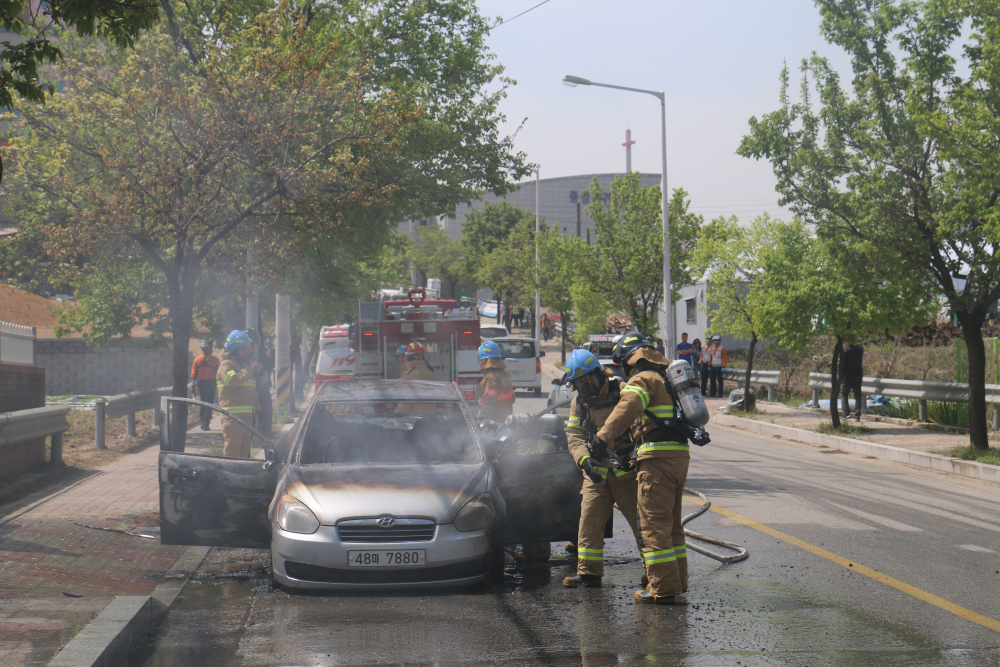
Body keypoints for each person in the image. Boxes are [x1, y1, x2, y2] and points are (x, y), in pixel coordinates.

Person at [595, 331, 691, 604]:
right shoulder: (667, 380)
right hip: (678, 457)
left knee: (652, 525)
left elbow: (628, 407)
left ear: (628, 360)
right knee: (672, 525)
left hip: (657, 459)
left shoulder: (644, 379)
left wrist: (603, 437)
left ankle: (662, 588)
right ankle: (678, 581)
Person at [562, 349, 643, 589]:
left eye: (588, 378)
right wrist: (584, 461)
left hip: (627, 471)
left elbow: (640, 423)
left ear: (600, 374)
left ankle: (655, 574)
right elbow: (575, 436)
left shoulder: (621, 391)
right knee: (589, 519)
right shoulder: (579, 402)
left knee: (642, 523)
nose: (586, 385)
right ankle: (588, 573)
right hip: (597, 472)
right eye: (580, 382)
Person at [216, 330, 262, 458]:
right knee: (233, 449)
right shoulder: (226, 365)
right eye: (242, 349)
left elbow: (261, 382)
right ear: (234, 349)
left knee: (244, 450)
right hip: (232, 416)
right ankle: (229, 475)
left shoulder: (244, 364)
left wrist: (259, 371)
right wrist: (248, 369)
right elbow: (232, 381)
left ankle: (243, 475)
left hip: (247, 415)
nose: (246, 352)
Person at [475, 340, 514, 422]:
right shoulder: (506, 375)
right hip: (506, 420)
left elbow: (490, 400)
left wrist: (482, 418)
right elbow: (512, 398)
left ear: (485, 360)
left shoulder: (491, 377)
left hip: (493, 422)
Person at [246, 329, 273, 434]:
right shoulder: (233, 361)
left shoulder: (253, 358)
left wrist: (260, 371)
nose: (252, 349)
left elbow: (263, 381)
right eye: (251, 346)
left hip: (250, 403)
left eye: (254, 347)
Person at [190, 339, 220, 431]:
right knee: (209, 403)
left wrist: (193, 385)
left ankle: (202, 421)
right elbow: (219, 374)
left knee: (202, 402)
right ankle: (206, 423)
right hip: (211, 383)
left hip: (201, 383)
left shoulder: (197, 360)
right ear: (210, 348)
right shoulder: (215, 360)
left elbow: (193, 375)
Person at [841, 343, 865, 419]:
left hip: (847, 376)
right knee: (857, 395)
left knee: (844, 394)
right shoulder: (860, 349)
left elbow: (843, 364)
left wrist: (841, 376)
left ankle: (846, 413)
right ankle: (857, 414)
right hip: (858, 375)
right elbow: (860, 345)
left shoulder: (845, 350)